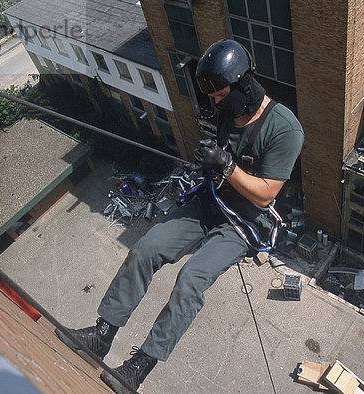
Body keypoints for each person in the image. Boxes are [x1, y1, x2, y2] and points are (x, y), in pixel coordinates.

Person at [55, 39, 304, 393]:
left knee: (191, 278)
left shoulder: (284, 129)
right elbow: (223, 159)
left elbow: (266, 194)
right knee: (146, 248)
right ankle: (103, 334)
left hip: (245, 221)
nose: (217, 103)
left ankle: (140, 366)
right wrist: (211, 163)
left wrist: (227, 165)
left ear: (244, 85)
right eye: (213, 97)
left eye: (220, 95)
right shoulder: (228, 111)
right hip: (212, 200)